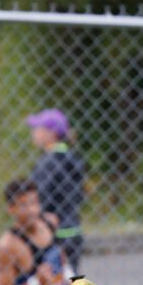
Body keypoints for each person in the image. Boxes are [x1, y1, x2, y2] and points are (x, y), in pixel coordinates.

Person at [26, 109, 87, 273]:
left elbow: (41, 197)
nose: (34, 133)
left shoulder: (48, 162)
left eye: (37, 128)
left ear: (51, 133)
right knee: (70, 281)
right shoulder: (73, 158)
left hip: (54, 234)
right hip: (72, 230)